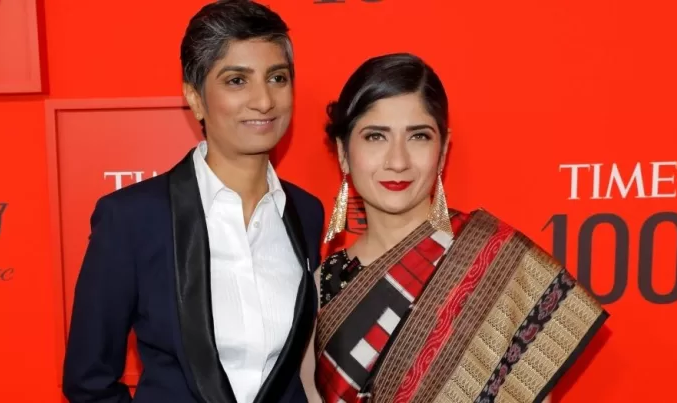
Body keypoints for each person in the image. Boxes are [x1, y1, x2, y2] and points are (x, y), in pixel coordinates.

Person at [303, 53, 608, 403]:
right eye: (375, 137)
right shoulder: (321, 287)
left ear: (443, 150)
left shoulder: (501, 266)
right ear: (344, 152)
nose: (398, 161)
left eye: (418, 136)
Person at [62, 1, 324, 402]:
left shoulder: (306, 213)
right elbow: (88, 381)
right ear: (196, 97)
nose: (264, 101)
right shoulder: (132, 220)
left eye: (277, 77)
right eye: (237, 80)